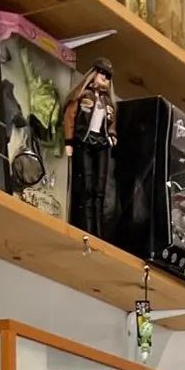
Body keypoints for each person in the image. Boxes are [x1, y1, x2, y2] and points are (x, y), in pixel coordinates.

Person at [64, 58, 117, 241]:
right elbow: (70, 117)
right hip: (84, 140)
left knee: (99, 189)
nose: (105, 79)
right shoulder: (83, 96)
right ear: (94, 73)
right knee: (86, 186)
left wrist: (112, 135)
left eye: (108, 76)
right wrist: (68, 142)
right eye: (103, 74)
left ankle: (97, 231)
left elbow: (111, 123)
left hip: (101, 143)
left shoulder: (108, 102)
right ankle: (86, 227)